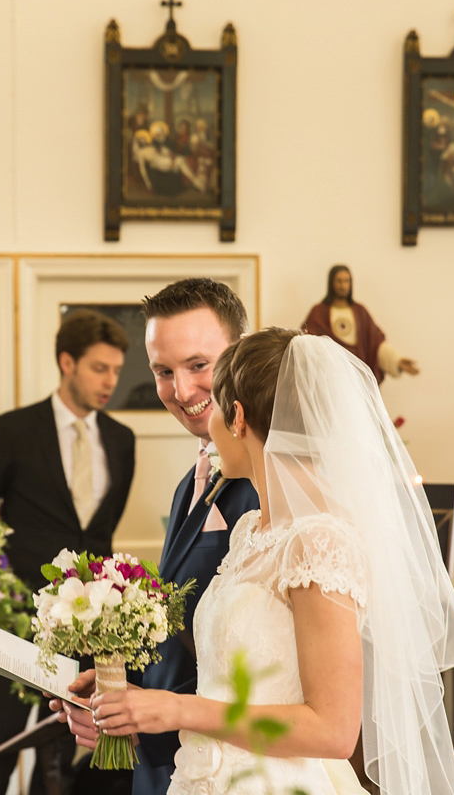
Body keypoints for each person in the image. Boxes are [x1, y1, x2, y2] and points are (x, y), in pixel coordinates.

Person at [85, 329, 454, 794]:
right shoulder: (251, 530)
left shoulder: (319, 541)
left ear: (239, 418)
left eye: (217, 411)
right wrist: (137, 702)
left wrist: (178, 709)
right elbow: (227, 684)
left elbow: (333, 729)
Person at [52, 279, 260, 795]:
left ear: (239, 356)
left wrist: (150, 713)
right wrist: (116, 695)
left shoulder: (269, 489)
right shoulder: (188, 485)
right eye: (163, 372)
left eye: (198, 365)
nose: (181, 390)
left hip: (233, 770)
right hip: (168, 768)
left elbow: (266, 665)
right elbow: (186, 638)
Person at [0, 309, 137, 795]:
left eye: (117, 371)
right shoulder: (13, 430)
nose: (110, 382)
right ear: (67, 362)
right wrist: (0, 593)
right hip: (18, 621)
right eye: (99, 368)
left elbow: (98, 536)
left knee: (65, 747)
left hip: (91, 625)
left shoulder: (123, 441)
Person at [301, 266, 419, 384]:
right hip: (330, 377)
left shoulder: (360, 312)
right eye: (339, 281)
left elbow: (376, 343)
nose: (343, 285)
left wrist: (396, 361)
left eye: (347, 281)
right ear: (331, 283)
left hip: (357, 376)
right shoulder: (319, 312)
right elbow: (307, 342)